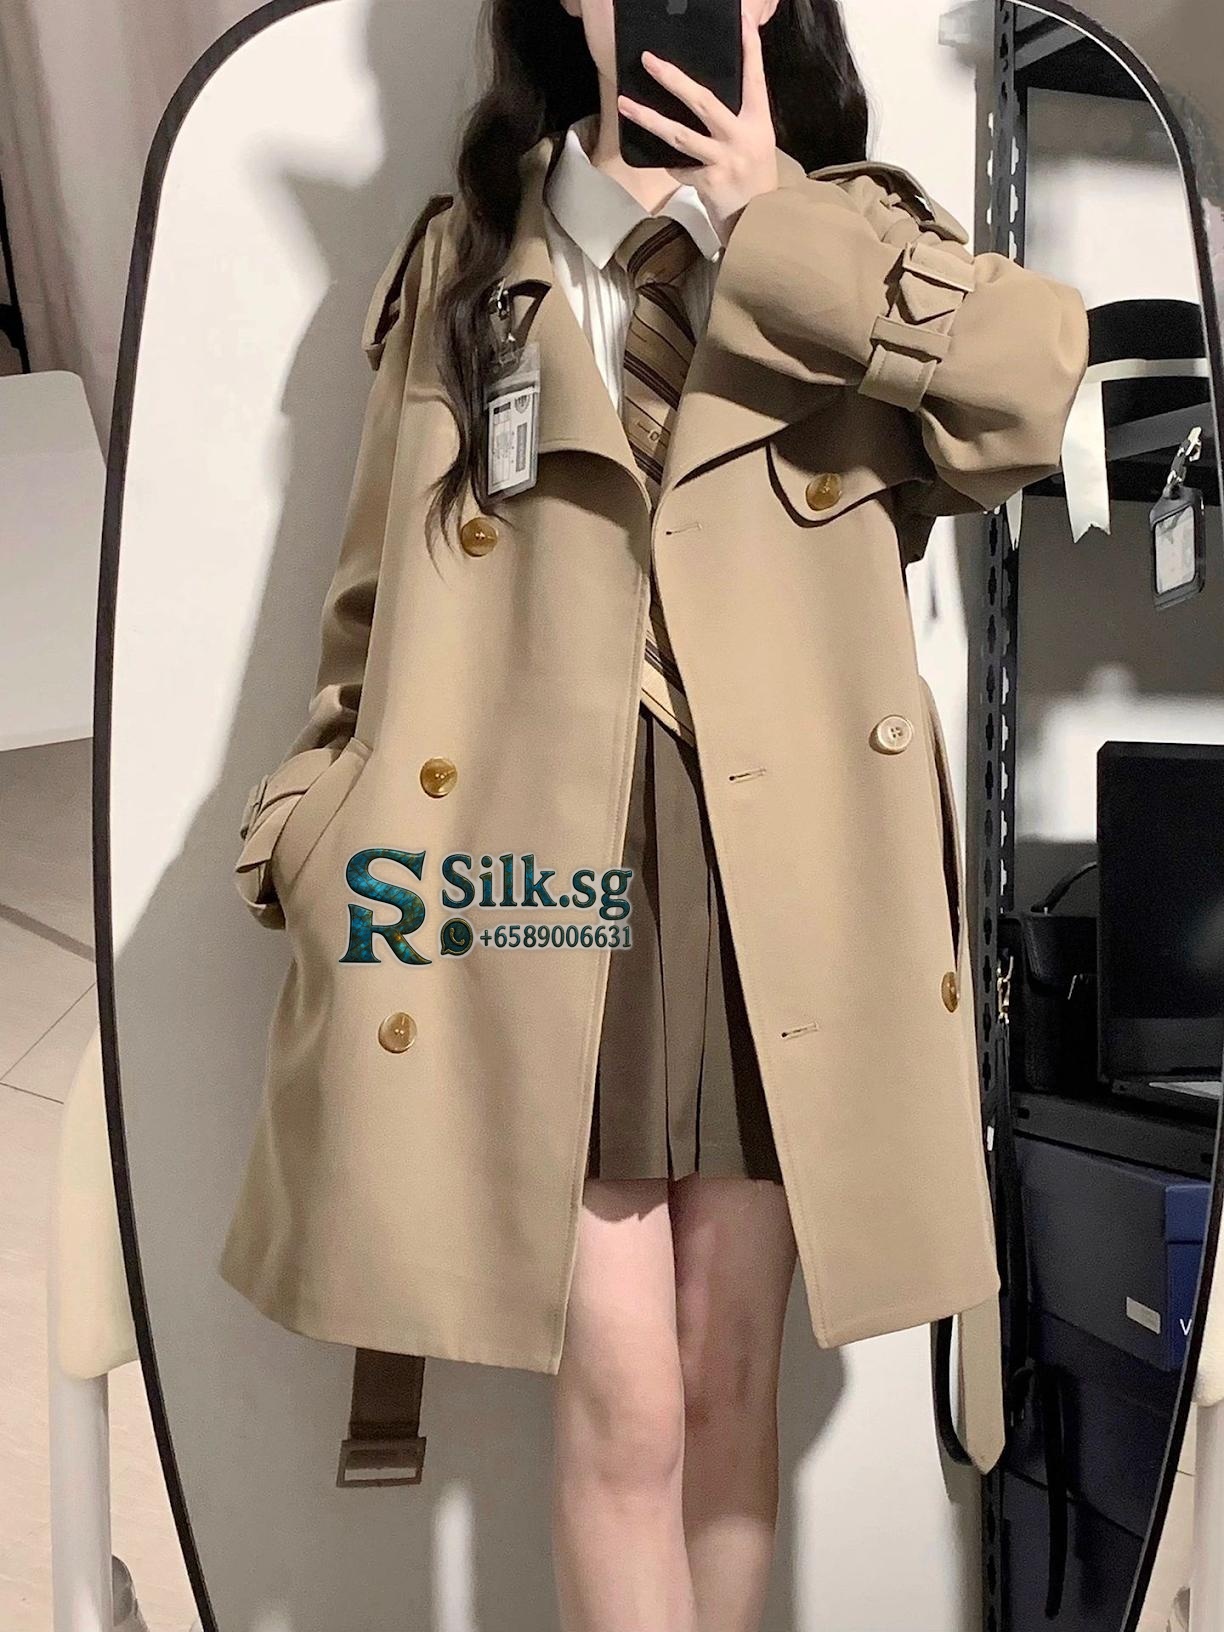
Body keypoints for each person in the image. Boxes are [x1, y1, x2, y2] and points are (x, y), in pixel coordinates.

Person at [222, 3, 1090, 1629]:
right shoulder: (473, 262)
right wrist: (313, 837)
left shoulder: (858, 241)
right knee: (621, 1399)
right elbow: (369, 606)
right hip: (525, 867)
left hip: (785, 865)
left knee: (725, 1375)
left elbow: (1032, 391)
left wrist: (775, 220)